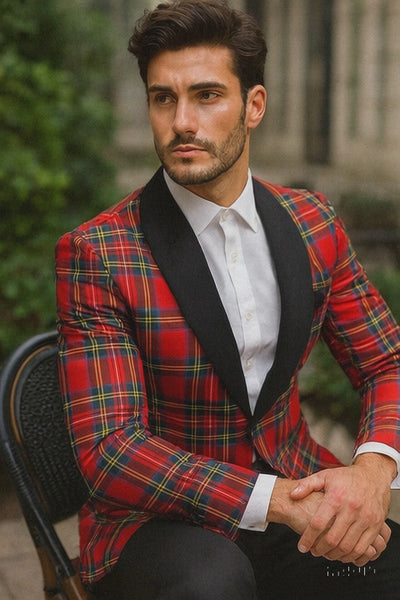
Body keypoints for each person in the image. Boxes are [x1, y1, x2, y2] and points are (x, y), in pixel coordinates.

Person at [55, 1, 400, 598]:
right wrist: (278, 502)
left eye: (207, 95)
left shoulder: (312, 223)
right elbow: (113, 450)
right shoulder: (99, 252)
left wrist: (373, 470)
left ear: (254, 105)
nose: (182, 121)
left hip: (295, 491)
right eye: (164, 99)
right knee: (213, 584)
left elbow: (386, 363)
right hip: (156, 525)